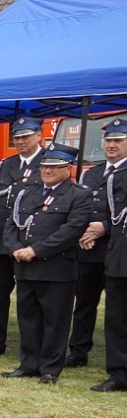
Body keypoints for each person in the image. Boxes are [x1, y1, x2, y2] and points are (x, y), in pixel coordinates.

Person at [1, 145, 93, 384]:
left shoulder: (79, 195)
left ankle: (50, 369)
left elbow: (70, 231)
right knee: (28, 319)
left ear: (68, 169)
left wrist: (35, 250)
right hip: (25, 267)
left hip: (57, 270)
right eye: (45, 166)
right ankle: (29, 364)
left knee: (55, 322)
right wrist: (14, 248)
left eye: (54, 167)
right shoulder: (29, 193)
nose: (47, 171)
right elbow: (11, 223)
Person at [0, 118, 46, 357]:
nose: (21, 141)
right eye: (17, 137)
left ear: (39, 135)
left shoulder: (49, 163)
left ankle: (32, 346)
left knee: (30, 299)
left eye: (26, 136)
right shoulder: (4, 165)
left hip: (31, 241)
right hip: (2, 240)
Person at [68, 120, 126, 368]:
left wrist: (104, 227)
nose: (111, 145)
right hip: (88, 248)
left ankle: (118, 361)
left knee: (118, 311)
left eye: (118, 141)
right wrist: (82, 231)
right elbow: (79, 205)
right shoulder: (91, 173)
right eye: (108, 141)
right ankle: (78, 351)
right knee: (83, 304)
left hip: (116, 249)